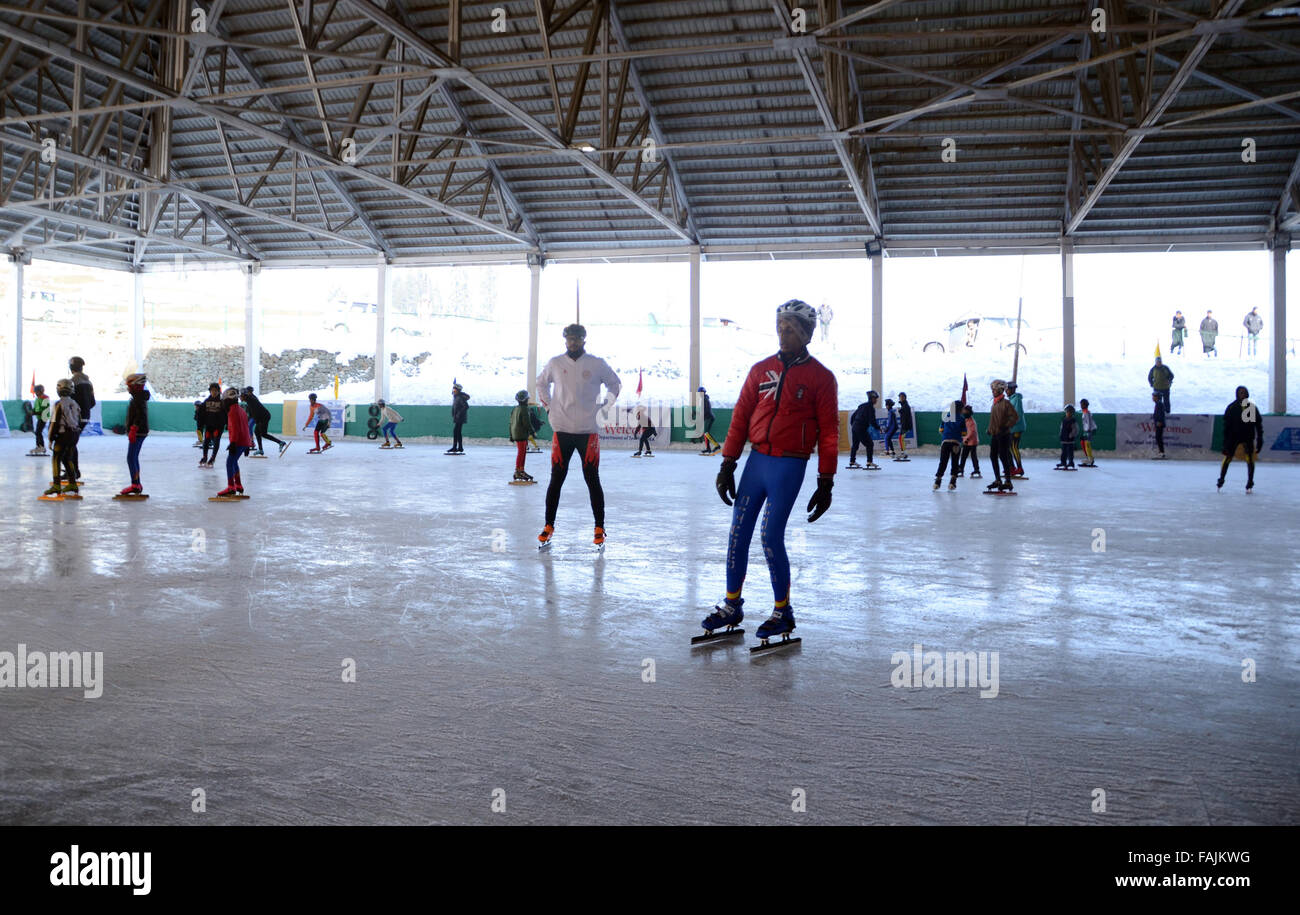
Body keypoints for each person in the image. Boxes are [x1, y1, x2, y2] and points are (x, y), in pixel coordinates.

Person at [700, 299, 838, 644]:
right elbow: (741, 417)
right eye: (780, 326)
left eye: (790, 328)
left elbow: (830, 432)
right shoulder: (760, 370)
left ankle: (782, 611)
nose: (783, 332)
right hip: (756, 461)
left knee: (770, 536)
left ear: (807, 333)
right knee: (738, 533)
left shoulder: (821, 378)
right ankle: (732, 605)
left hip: (790, 464)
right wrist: (727, 463)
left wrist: (826, 481)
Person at [535, 324, 622, 547]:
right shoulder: (555, 363)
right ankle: (548, 525)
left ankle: (599, 527)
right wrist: (548, 407)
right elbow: (541, 382)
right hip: (562, 429)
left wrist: (606, 406)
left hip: (588, 431)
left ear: (584, 339)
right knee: (556, 480)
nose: (573, 342)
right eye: (569, 338)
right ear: (565, 340)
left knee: (592, 480)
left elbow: (615, 383)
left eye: (577, 338)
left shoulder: (596, 363)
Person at [1218, 385, 1263, 491]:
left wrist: (1260, 438)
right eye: (1240, 393)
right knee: (1228, 457)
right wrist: (1226, 442)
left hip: (1247, 436)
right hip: (1234, 437)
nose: (1242, 394)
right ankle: (1221, 479)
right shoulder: (1232, 407)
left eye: (1244, 392)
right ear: (1237, 394)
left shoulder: (1251, 408)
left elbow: (1257, 424)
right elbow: (1227, 426)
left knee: (1250, 459)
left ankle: (1250, 481)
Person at [43, 379, 81, 498]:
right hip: (74, 435)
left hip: (63, 435)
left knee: (56, 459)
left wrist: (50, 438)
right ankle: (72, 483)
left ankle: (56, 485)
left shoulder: (58, 404)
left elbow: (54, 422)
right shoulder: (75, 403)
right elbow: (79, 419)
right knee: (67, 459)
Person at [218, 388, 253, 497]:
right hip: (243, 441)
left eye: (224, 401)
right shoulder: (241, 410)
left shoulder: (232, 411)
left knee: (229, 462)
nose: (223, 403)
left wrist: (233, 443)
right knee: (234, 462)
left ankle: (231, 487)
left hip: (238, 441)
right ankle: (238, 485)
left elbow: (236, 428)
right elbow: (247, 427)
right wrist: (248, 443)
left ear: (228, 400)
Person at [986, 379, 1019, 492]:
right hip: (995, 434)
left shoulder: (1006, 403)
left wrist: (1005, 426)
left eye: (995, 390)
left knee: (1003, 456)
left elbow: (1014, 417)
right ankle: (998, 480)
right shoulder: (995, 403)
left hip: (1004, 435)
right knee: (993, 456)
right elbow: (994, 419)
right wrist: (990, 429)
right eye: (992, 390)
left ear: (1000, 390)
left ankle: (1008, 481)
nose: (993, 391)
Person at [119, 373, 150, 496]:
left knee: (131, 457)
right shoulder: (138, 397)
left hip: (138, 432)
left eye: (130, 386)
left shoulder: (138, 398)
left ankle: (135, 484)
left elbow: (140, 415)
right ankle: (136, 483)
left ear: (135, 386)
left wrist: (134, 428)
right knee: (133, 457)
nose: (128, 388)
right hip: (139, 431)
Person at [67, 356, 94, 482]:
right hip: (85, 417)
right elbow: (92, 402)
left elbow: (68, 401)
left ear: (71, 367)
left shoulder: (72, 381)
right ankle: (73, 471)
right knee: (72, 442)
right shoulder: (89, 382)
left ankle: (72, 472)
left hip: (75, 417)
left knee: (68, 443)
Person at [242, 387, 288, 457]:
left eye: (241, 396)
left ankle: (280, 442)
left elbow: (250, 400)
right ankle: (260, 449)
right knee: (257, 432)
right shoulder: (249, 400)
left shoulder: (250, 398)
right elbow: (252, 413)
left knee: (263, 434)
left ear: (245, 395)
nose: (240, 398)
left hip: (264, 417)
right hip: (261, 417)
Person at [933, 400, 963, 490]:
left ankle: (937, 482)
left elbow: (941, 430)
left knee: (943, 462)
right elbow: (964, 433)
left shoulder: (946, 417)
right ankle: (952, 483)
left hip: (945, 443)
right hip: (956, 443)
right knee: (955, 462)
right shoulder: (961, 419)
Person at [848, 390, 882, 468]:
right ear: (872, 398)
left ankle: (852, 461)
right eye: (875, 398)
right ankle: (869, 461)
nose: (876, 400)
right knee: (870, 444)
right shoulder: (870, 408)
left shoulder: (861, 406)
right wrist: (878, 428)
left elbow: (853, 417)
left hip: (855, 427)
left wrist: (854, 425)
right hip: (861, 428)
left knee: (855, 445)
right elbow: (872, 421)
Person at [508, 390, 533, 481]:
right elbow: (527, 422)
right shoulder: (524, 409)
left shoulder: (515, 409)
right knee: (522, 453)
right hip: (521, 433)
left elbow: (510, 423)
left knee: (522, 452)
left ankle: (521, 470)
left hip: (516, 433)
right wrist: (532, 431)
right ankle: (518, 471)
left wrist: (511, 435)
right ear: (526, 399)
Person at [199, 382, 226, 467]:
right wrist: (200, 425)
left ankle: (213, 458)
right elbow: (201, 414)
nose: (214, 392)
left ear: (218, 391)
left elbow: (226, 415)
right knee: (206, 440)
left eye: (215, 391)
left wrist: (226, 424)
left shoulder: (222, 402)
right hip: (209, 425)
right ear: (210, 391)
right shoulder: (206, 401)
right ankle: (205, 457)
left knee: (216, 441)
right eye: (212, 390)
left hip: (218, 426)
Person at [1006, 381, 1026, 477]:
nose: (1006, 391)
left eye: (1008, 389)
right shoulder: (1011, 399)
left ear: (1013, 389)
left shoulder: (1016, 399)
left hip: (1016, 427)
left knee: (1014, 447)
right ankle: (1012, 467)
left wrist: (1010, 423)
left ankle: (1020, 468)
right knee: (1010, 447)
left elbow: (1017, 414)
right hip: (1012, 427)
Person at [957, 403, 982, 478]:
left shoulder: (971, 422)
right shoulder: (966, 420)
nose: (963, 413)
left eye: (965, 412)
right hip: (967, 442)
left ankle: (976, 470)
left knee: (973, 456)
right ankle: (961, 469)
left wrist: (966, 439)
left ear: (968, 412)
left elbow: (972, 432)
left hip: (971, 442)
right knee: (963, 456)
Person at [447, 383, 470, 454]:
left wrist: (458, 414)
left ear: (458, 390)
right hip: (457, 417)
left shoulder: (459, 397)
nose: (453, 390)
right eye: (453, 389)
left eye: (454, 389)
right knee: (458, 432)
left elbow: (466, 406)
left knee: (456, 431)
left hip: (460, 417)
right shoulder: (456, 397)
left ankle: (455, 447)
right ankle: (459, 447)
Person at [696, 387, 719, 454]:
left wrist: (701, 417)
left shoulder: (704, 399)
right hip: (708, 418)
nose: (699, 394)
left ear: (702, 393)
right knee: (706, 434)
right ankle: (708, 449)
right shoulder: (704, 399)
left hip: (709, 418)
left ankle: (716, 446)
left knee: (706, 433)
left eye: (700, 393)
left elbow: (706, 410)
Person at [29, 384, 50, 456]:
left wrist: (35, 412)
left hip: (43, 417)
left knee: (38, 432)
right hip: (39, 417)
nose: (35, 393)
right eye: (35, 392)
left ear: (41, 391)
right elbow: (35, 407)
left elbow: (44, 410)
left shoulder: (45, 398)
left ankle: (41, 446)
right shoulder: (37, 399)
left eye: (36, 392)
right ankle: (39, 446)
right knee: (38, 432)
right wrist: (32, 411)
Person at [1056, 405, 1078, 469]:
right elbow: (1061, 428)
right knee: (1063, 452)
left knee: (1070, 452)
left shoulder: (1073, 420)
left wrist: (1071, 435)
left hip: (1070, 440)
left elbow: (1075, 429)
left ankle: (1071, 462)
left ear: (1072, 413)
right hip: (1064, 439)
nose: (1067, 413)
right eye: (1067, 412)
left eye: (1069, 412)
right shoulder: (1064, 420)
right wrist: (1061, 435)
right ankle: (1063, 462)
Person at [1078, 398, 1097, 467]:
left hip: (1089, 430)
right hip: (1087, 430)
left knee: (1087, 443)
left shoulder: (1087, 412)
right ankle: (1088, 457)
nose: (1081, 405)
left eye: (1082, 404)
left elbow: (1088, 422)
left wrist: (1088, 431)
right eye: (1081, 404)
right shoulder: (1084, 412)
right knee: (1083, 443)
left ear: (1085, 405)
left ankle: (1090, 458)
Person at [895, 392, 913, 460]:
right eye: (900, 397)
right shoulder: (904, 405)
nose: (901, 398)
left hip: (905, 425)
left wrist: (905, 426)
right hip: (905, 425)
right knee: (901, 438)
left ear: (905, 398)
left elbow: (907, 417)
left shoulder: (905, 406)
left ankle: (904, 453)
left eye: (902, 397)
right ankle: (904, 453)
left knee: (901, 438)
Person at [1151, 392, 1167, 459]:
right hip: (1158, 423)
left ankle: (1161, 453)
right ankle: (1161, 452)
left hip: (1159, 423)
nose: (1152, 398)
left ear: (1157, 397)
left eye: (1154, 396)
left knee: (1158, 438)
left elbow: (1161, 414)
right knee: (1158, 438)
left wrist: (1159, 421)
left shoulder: (1159, 404)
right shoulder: (1158, 404)